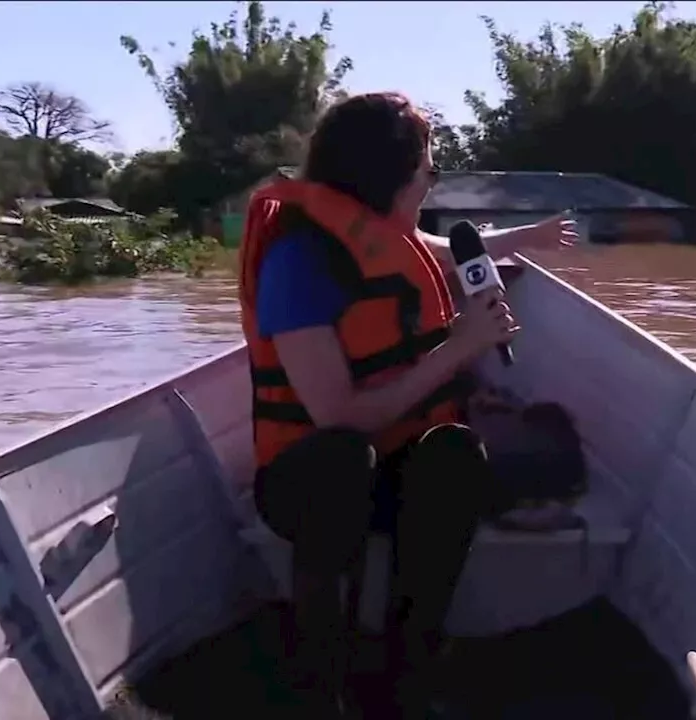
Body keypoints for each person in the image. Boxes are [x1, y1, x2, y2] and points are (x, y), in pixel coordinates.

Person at [236, 91, 577, 718]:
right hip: (309, 486)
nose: (431, 178)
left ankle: (406, 672)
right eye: (428, 165)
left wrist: (528, 238)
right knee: (343, 459)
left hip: (390, 471)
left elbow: (449, 251)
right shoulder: (300, 260)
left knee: (454, 451)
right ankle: (321, 675)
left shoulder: (393, 237)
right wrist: (462, 346)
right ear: (393, 173)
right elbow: (338, 417)